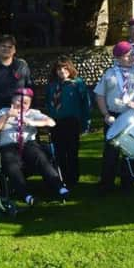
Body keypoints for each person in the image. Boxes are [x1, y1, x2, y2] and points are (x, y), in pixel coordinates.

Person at [0, 88, 68, 206]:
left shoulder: (32, 113)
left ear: (29, 104)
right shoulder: (3, 112)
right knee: (11, 164)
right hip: (8, 145)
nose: (21, 105)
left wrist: (32, 122)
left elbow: (51, 122)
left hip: (28, 143)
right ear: (12, 101)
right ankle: (26, 194)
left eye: (25, 103)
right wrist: (6, 116)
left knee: (40, 157)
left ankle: (59, 186)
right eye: (18, 101)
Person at [94, 41, 134, 193]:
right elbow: (100, 95)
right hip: (113, 115)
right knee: (111, 151)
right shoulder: (110, 73)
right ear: (118, 58)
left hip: (131, 115)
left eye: (133, 54)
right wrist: (105, 114)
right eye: (128, 55)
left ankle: (128, 183)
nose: (132, 57)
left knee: (130, 150)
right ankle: (107, 184)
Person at [45, 56, 91, 187]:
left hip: (71, 121)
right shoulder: (52, 85)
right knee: (59, 151)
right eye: (59, 69)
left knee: (71, 151)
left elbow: (85, 104)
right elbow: (48, 103)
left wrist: (85, 121)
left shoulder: (77, 83)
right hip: (55, 122)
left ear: (70, 69)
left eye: (65, 68)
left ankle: (73, 178)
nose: (62, 71)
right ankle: (62, 177)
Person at [0, 34, 33, 126]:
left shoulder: (21, 66)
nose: (6, 49)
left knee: (17, 139)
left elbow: (30, 88)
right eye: (3, 46)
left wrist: (30, 108)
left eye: (10, 47)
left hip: (18, 112)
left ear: (14, 50)